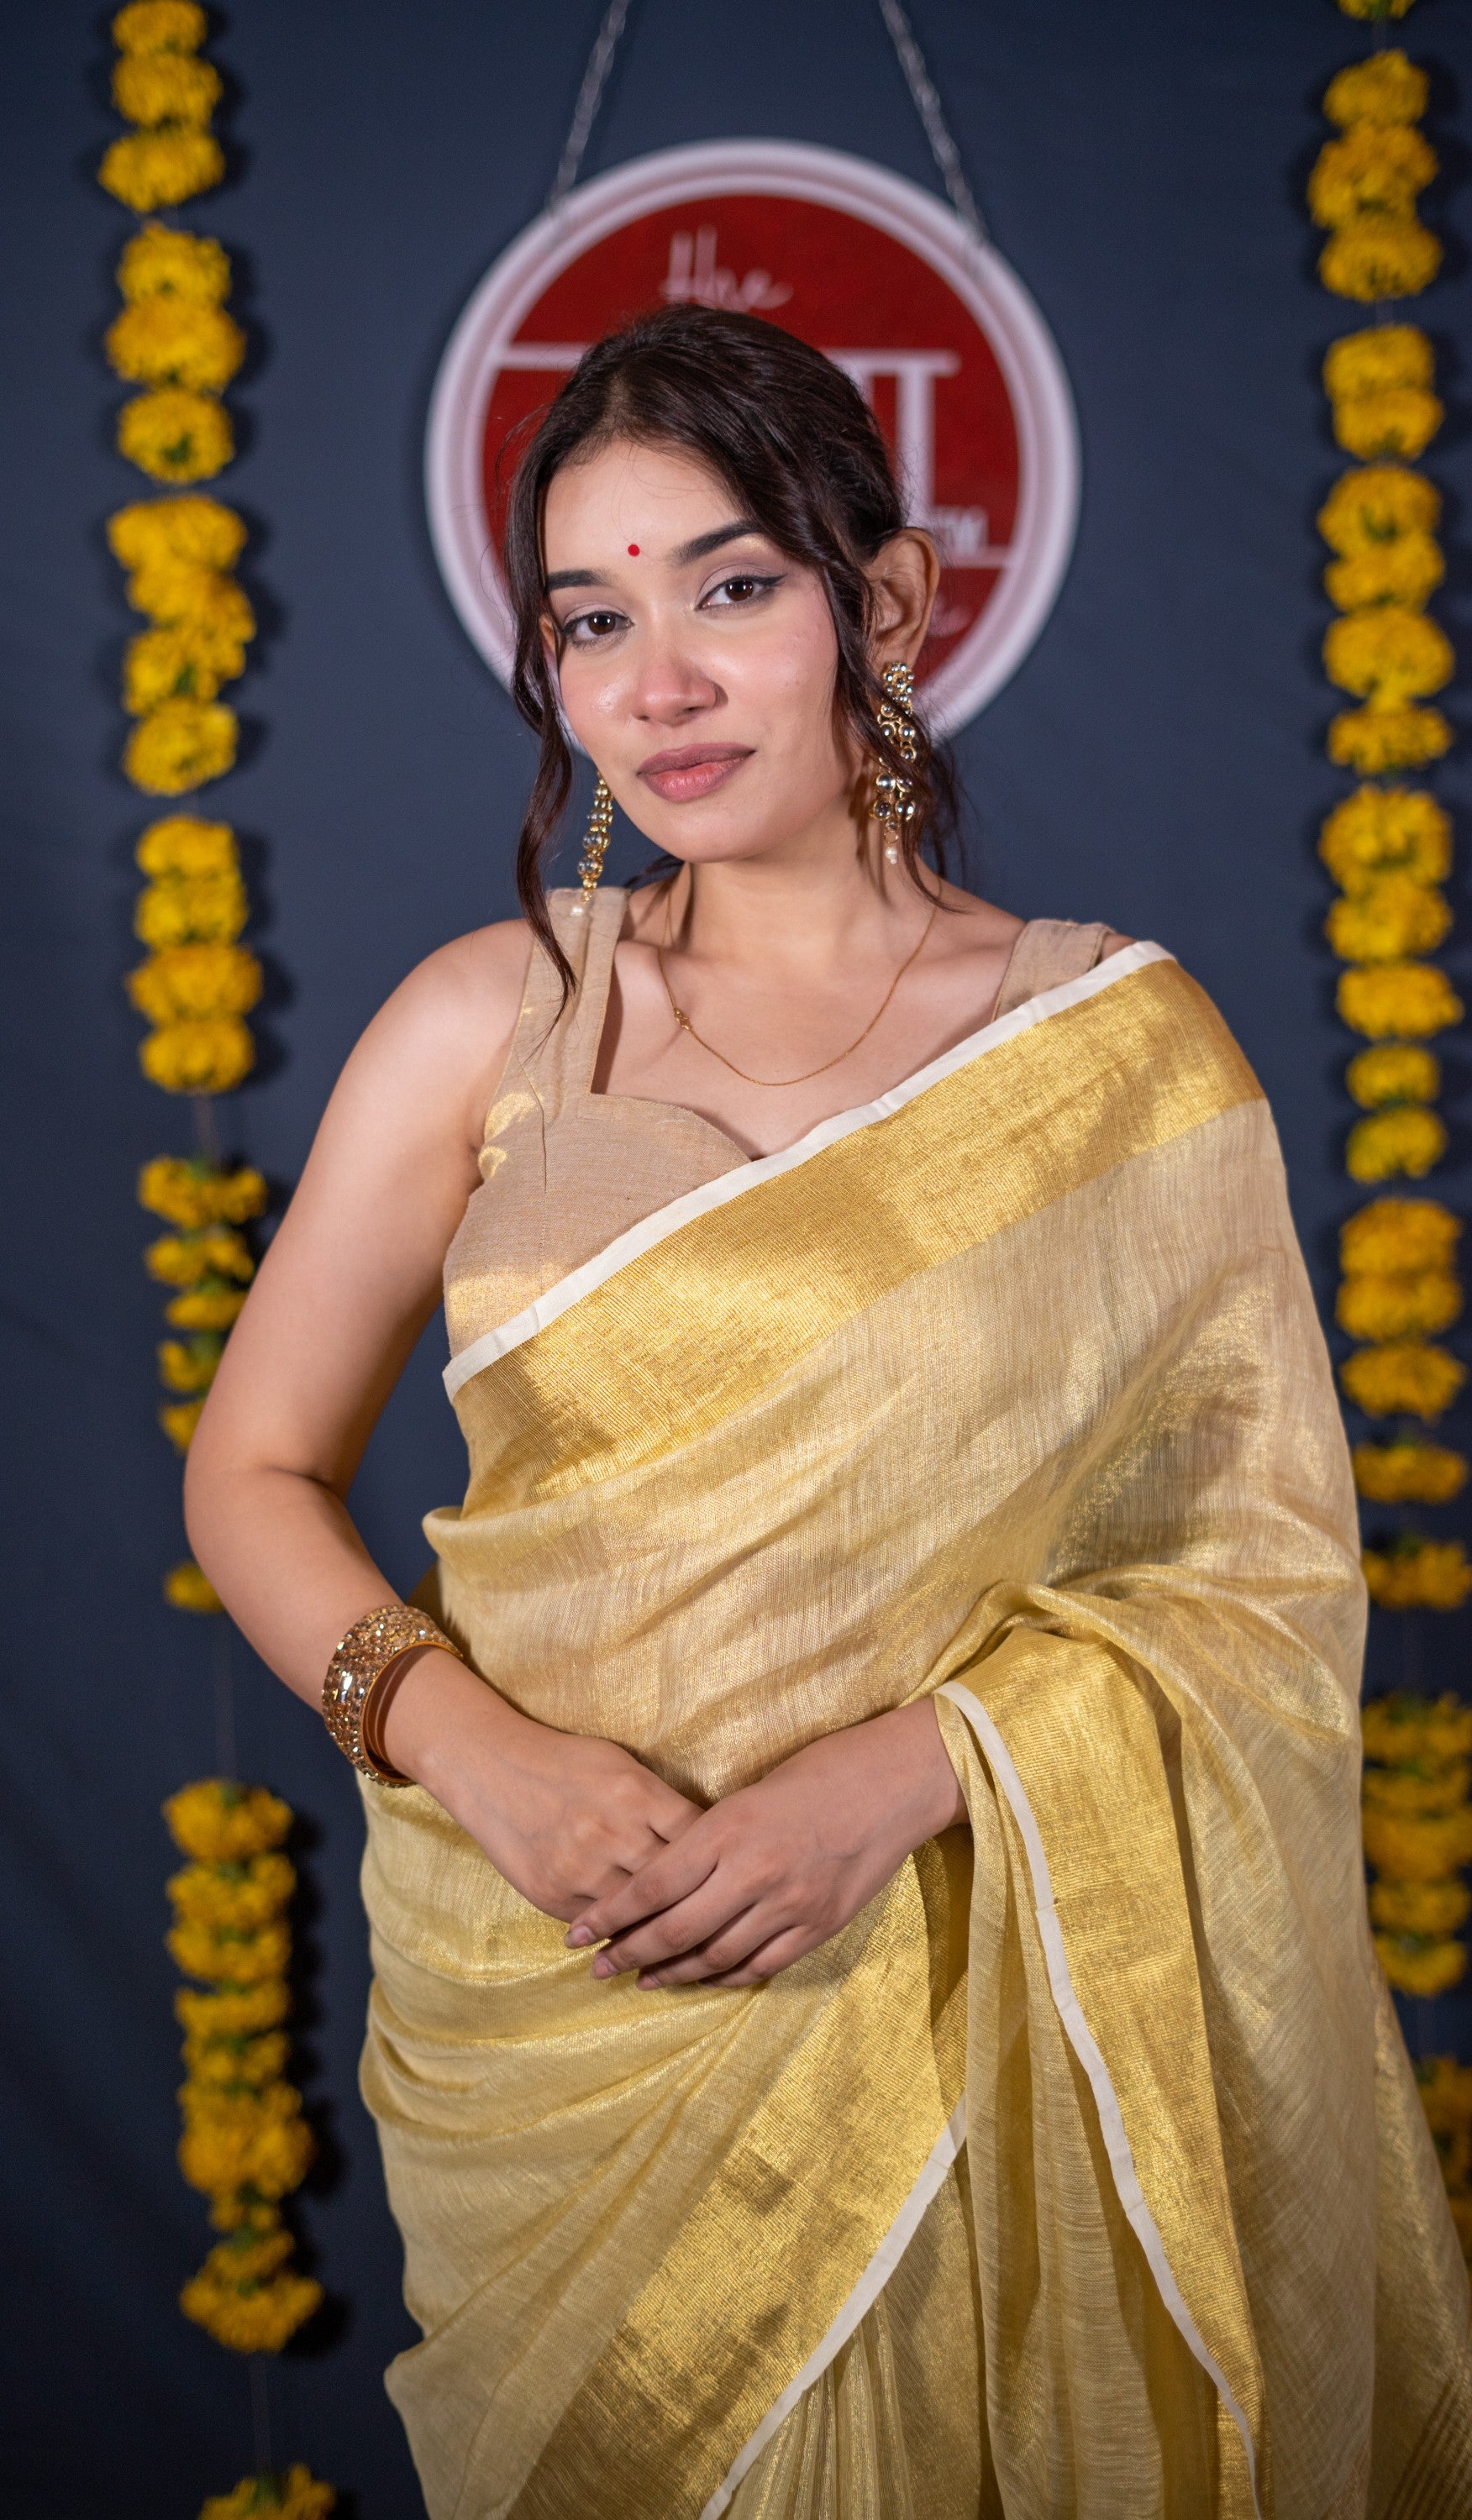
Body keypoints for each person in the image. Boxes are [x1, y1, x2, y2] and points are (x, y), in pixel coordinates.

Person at [185, 304, 1471, 2519]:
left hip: (969, 2012)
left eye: (732, 587)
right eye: (594, 619)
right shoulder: (490, 1027)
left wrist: (910, 1777)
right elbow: (254, 1472)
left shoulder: (1118, 1057)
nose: (659, 681)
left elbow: (1255, 1586)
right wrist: (480, 1755)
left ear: (886, 603)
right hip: (568, 2008)